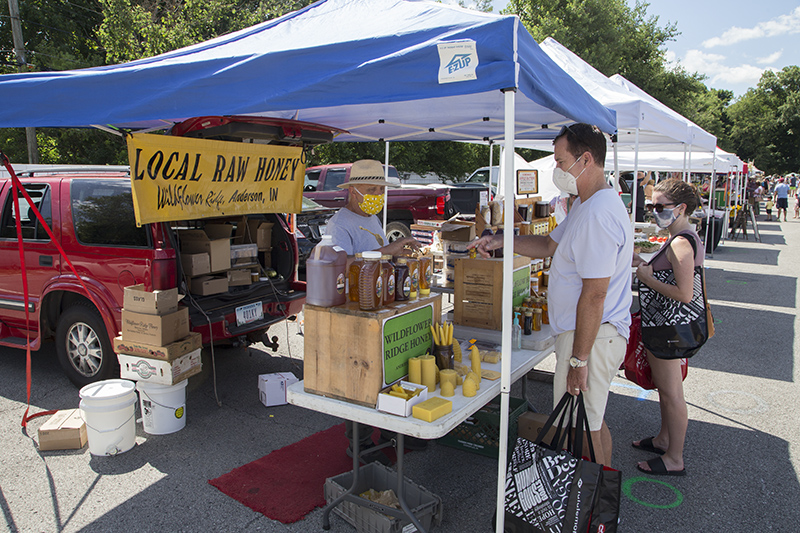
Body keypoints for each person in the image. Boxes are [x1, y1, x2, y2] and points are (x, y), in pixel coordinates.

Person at [469, 123, 632, 466]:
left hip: (593, 336)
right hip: (586, 334)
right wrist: (501, 241)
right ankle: (596, 503)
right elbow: (547, 244)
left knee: (584, 428)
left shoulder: (599, 213)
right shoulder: (585, 206)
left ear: (586, 159)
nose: (556, 169)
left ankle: (595, 503)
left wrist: (579, 360)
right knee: (591, 420)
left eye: (560, 162)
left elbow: (594, 295)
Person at [326, 159, 422, 459]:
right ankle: (361, 445)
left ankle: (392, 432)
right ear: (353, 190)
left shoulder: (371, 217)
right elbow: (339, 264)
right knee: (361, 380)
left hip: (378, 305)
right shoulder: (339, 224)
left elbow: (377, 258)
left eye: (381, 189)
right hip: (356, 311)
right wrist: (388, 251)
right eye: (371, 189)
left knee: (388, 373)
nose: (377, 195)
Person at [631, 179, 705, 477]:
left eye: (660, 207)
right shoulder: (679, 237)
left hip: (669, 330)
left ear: (681, 208)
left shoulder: (682, 242)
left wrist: (647, 279)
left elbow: (685, 294)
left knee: (672, 392)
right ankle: (664, 439)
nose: (653, 212)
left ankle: (675, 457)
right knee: (665, 388)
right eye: (651, 206)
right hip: (664, 327)